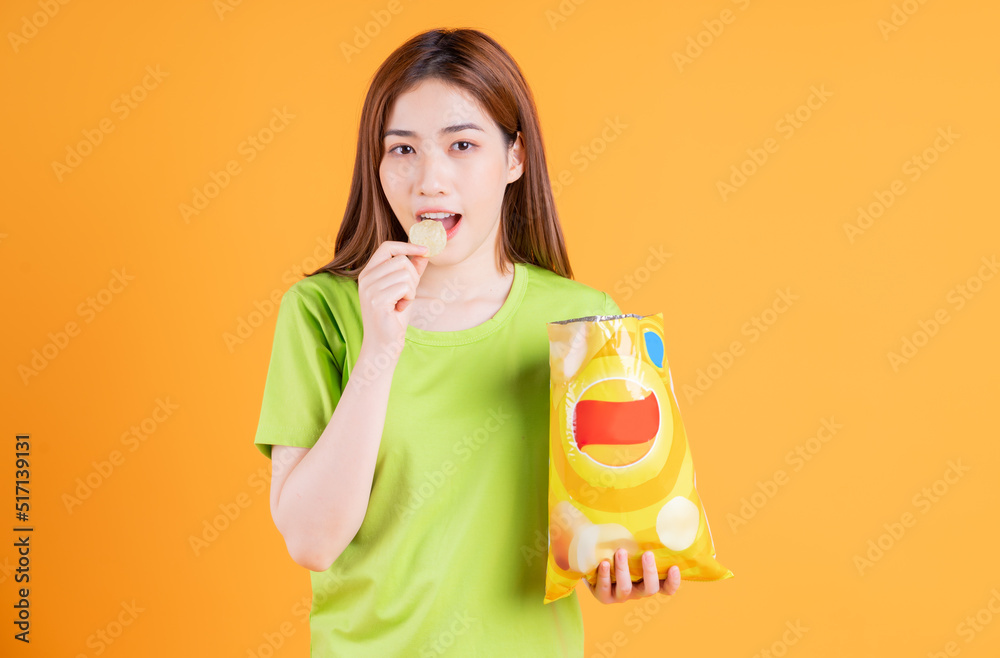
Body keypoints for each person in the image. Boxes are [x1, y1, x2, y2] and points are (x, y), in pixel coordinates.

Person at [252, 27, 680, 657]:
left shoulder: (585, 321)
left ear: (515, 159)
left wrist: (621, 564)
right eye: (402, 150)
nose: (430, 179)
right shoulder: (321, 312)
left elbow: (617, 516)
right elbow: (311, 541)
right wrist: (380, 348)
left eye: (462, 145)